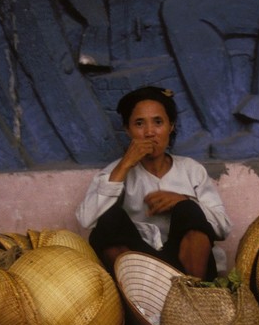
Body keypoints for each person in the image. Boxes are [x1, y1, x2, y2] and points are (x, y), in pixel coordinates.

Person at [77, 86, 231, 280]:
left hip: (187, 269)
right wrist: (124, 165)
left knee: (188, 209)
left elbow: (223, 228)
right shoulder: (116, 171)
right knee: (109, 219)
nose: (150, 132)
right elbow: (86, 219)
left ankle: (196, 294)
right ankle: (139, 304)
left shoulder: (192, 170)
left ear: (171, 125)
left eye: (158, 122)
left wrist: (183, 200)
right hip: (142, 275)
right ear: (127, 129)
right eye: (139, 124)